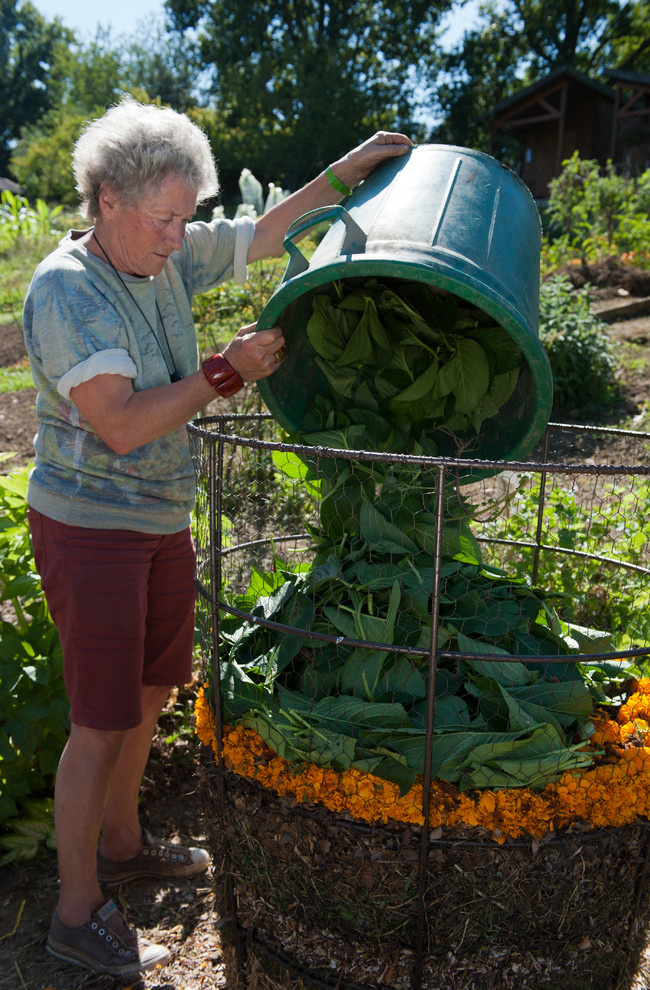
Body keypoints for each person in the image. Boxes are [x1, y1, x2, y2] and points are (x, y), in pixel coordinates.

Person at [22, 94, 412, 979]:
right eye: (162, 220)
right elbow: (119, 423)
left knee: (155, 687)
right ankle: (74, 913)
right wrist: (225, 370)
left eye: (184, 219)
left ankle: (123, 840)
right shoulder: (67, 290)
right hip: (93, 526)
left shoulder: (161, 255)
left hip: (158, 517)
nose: (175, 239)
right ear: (108, 199)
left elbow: (262, 235)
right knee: (98, 720)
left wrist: (341, 175)